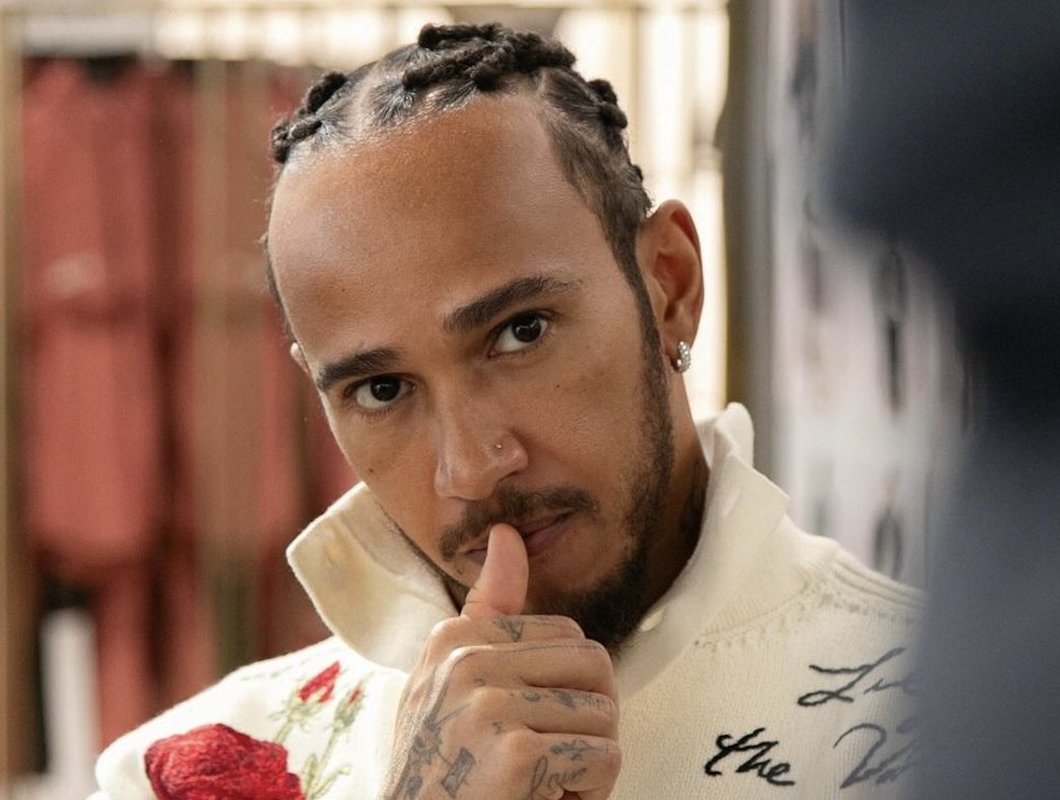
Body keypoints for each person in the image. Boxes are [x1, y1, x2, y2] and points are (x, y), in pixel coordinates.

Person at [91, 23, 919, 800]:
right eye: (382, 390)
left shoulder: (950, 719)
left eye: (520, 334)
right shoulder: (175, 774)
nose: (473, 468)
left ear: (669, 285)